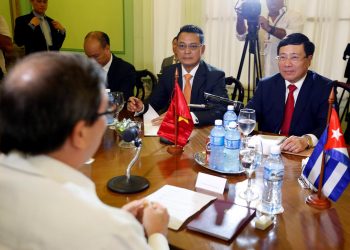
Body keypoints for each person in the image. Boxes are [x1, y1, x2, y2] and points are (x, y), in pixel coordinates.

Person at [0, 52, 169, 250]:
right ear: (80, 133)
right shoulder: (110, 231)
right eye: (106, 112)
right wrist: (156, 234)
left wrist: (114, 219)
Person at [246, 33, 333, 153]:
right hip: (268, 151)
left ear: (309, 59)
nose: (287, 64)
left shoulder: (324, 88)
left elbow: (328, 126)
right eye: (282, 57)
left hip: (303, 155)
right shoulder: (266, 85)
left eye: (294, 57)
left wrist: (306, 140)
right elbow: (248, 115)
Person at [128, 24, 228, 126]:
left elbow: (220, 111)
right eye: (182, 46)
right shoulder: (169, 72)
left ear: (202, 49)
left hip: (200, 133)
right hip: (172, 133)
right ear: (176, 48)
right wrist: (141, 107)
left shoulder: (215, 76)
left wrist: (186, 117)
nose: (187, 51)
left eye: (193, 46)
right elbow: (154, 102)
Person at [236, 0, 303, 76]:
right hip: (261, 74)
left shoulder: (294, 16)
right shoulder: (259, 15)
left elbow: (294, 38)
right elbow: (242, 36)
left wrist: (269, 28)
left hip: (285, 74)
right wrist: (240, 17)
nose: (272, 2)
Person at [84, 31, 136, 101]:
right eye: (88, 57)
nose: (91, 61)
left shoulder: (126, 70)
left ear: (107, 49)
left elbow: (123, 98)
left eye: (95, 56)